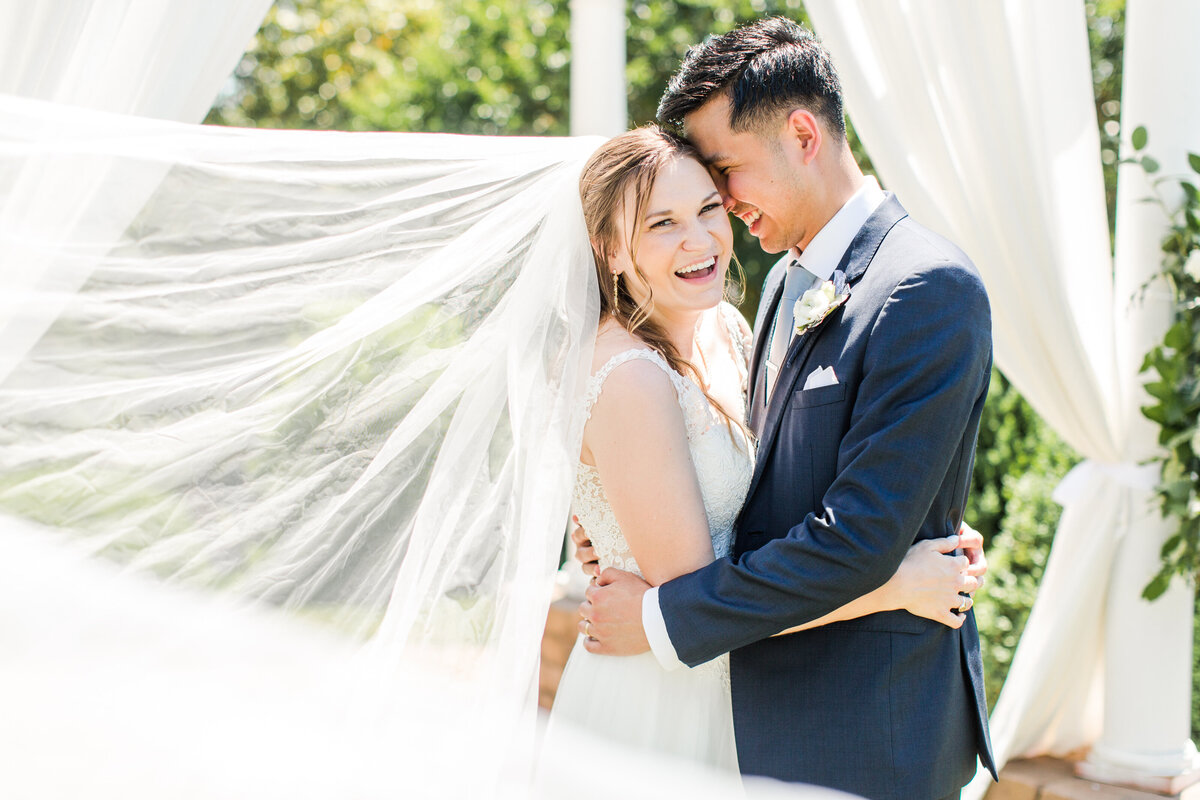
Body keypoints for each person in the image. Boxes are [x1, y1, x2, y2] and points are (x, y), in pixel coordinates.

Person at [578, 18, 997, 800]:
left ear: (802, 134)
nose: (724, 208)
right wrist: (612, 529)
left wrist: (662, 616)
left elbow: (859, 537)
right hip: (744, 712)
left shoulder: (925, 288)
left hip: (868, 729)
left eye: (725, 175)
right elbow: (758, 484)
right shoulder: (782, 283)